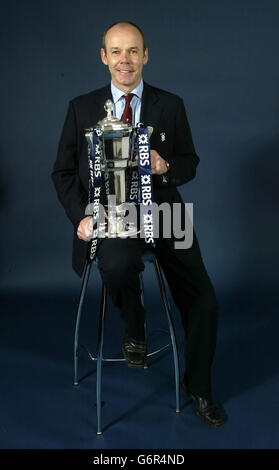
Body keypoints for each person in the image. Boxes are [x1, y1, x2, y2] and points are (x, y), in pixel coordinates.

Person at [51, 21, 225, 427]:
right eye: (116, 51)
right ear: (103, 57)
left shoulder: (171, 104)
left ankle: (199, 387)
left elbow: (190, 163)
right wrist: (81, 216)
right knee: (115, 264)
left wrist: (166, 168)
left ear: (145, 56)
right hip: (109, 215)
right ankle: (135, 323)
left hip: (166, 213)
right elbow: (62, 172)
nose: (124, 60)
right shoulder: (81, 108)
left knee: (205, 298)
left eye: (133, 51)